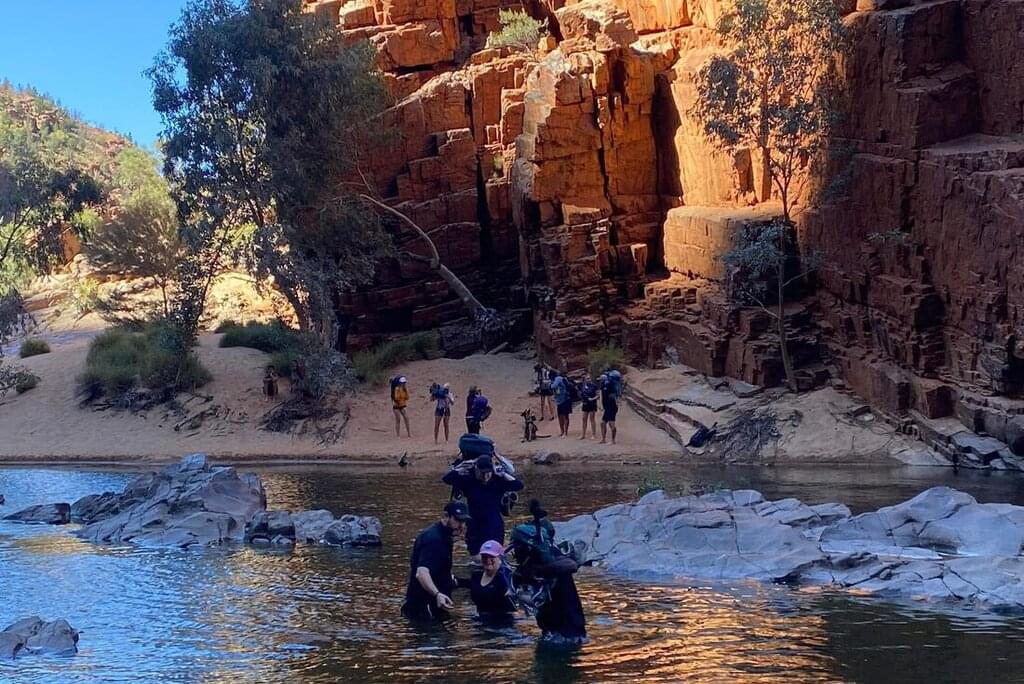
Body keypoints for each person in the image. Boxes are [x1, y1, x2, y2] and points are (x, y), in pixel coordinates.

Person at [442, 454, 524, 558]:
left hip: (494, 526)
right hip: (474, 526)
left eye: (488, 473)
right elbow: (447, 479)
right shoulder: (469, 480)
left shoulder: (497, 480)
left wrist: (503, 474)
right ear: (476, 469)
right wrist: (461, 466)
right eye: (482, 473)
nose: (485, 477)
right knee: (476, 558)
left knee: (493, 558)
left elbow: (519, 485)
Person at [402, 500, 472, 621]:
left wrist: (466, 583)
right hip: (424, 606)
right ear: (445, 517)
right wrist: (437, 594)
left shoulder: (445, 537)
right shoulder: (434, 540)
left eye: (464, 521)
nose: (462, 526)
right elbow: (421, 573)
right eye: (458, 520)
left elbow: (439, 569)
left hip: (436, 603)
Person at [466, 539, 516, 618]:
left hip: (503, 620)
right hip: (479, 618)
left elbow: (515, 604)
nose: (487, 559)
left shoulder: (506, 577)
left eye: (492, 556)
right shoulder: (477, 575)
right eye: (484, 556)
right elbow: (467, 584)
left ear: (500, 558)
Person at [551, 372, 572, 437]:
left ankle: (565, 432)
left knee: (565, 416)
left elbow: (553, 386)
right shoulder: (557, 379)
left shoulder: (558, 378)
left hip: (565, 400)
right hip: (560, 401)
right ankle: (562, 432)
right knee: (560, 416)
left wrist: (550, 384)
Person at [599, 373, 618, 444]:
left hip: (611, 405)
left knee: (611, 423)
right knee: (603, 423)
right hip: (606, 406)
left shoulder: (610, 383)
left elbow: (614, 394)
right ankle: (603, 439)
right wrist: (601, 404)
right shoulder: (603, 384)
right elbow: (601, 394)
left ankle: (613, 440)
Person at [579, 374, 598, 439]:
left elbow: (598, 395)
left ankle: (594, 434)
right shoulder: (583, 386)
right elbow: (582, 394)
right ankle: (583, 434)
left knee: (592, 418)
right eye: (587, 379)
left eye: (589, 378)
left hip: (592, 404)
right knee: (584, 419)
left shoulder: (594, 386)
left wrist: (592, 399)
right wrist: (583, 400)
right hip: (585, 404)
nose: (588, 380)